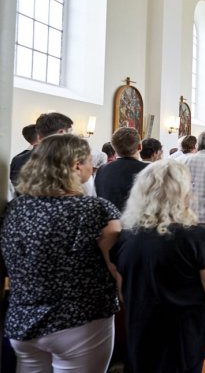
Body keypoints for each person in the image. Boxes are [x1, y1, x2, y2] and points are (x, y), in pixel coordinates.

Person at [1, 134, 121, 372]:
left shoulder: (15, 208)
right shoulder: (95, 209)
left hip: (22, 320)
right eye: (89, 161)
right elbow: (118, 266)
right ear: (76, 165)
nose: (92, 167)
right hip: (80, 323)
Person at [109, 159, 205, 373]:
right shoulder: (194, 236)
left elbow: (123, 291)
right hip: (182, 332)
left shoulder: (126, 237)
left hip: (141, 328)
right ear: (182, 193)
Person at [10, 113, 73, 187]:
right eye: (70, 132)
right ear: (61, 132)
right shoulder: (69, 160)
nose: (72, 137)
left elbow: (15, 190)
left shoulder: (18, 160)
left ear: (39, 136)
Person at [95, 127, 148, 212]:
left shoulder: (102, 170)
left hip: (108, 222)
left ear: (114, 147)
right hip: (137, 223)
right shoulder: (149, 169)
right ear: (139, 147)